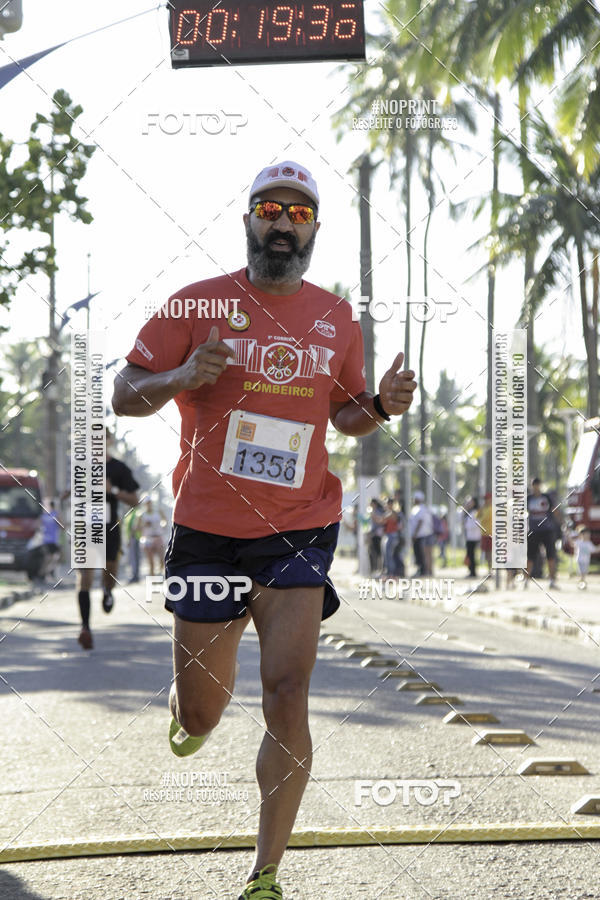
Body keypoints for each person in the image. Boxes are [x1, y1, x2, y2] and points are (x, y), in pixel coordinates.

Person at [112, 160, 417, 900]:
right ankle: (192, 720)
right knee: (202, 708)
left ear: (313, 230)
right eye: (270, 209)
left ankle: (266, 874)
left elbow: (342, 414)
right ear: (248, 219)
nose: (283, 223)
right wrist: (180, 379)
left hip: (298, 527)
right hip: (208, 529)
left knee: (287, 690)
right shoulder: (194, 307)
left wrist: (379, 404)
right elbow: (124, 393)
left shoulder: (337, 317)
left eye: (299, 213)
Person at [76, 430, 140, 650]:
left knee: (109, 570)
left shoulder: (119, 469)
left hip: (110, 526)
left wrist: (112, 490)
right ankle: (85, 627)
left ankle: (108, 590)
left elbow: (135, 500)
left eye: (100, 439)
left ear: (109, 441)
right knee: (85, 574)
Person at [526, 477, 560, 589]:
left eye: (537, 484)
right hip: (533, 530)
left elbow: (555, 511)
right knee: (530, 556)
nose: (536, 487)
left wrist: (561, 523)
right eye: (534, 485)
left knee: (550, 555)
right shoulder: (528, 499)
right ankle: (526, 580)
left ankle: (552, 580)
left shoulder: (547, 497)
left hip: (547, 530)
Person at [139, 498, 166, 576]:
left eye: (150, 502)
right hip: (147, 539)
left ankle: (159, 573)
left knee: (162, 559)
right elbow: (137, 528)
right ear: (144, 504)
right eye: (147, 503)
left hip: (158, 538)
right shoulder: (141, 515)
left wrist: (162, 524)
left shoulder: (158, 512)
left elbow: (165, 521)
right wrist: (144, 525)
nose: (149, 504)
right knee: (151, 562)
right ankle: (153, 581)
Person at [410, 490, 434, 576]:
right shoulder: (424, 508)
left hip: (421, 535)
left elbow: (420, 522)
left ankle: (423, 570)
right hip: (427, 534)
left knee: (422, 554)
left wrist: (415, 534)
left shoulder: (419, 509)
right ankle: (428, 571)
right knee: (428, 554)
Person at [462, 496, 481, 578]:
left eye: (470, 502)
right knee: (469, 554)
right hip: (469, 536)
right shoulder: (468, 512)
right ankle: (471, 570)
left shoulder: (475, 512)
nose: (468, 504)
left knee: (472, 555)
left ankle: (473, 572)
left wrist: (466, 526)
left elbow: (476, 524)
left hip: (473, 537)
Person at [382, 497, 401, 576]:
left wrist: (372, 514)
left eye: (387, 503)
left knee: (389, 555)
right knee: (388, 555)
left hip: (392, 536)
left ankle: (391, 573)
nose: (385, 505)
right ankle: (390, 572)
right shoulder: (389, 512)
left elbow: (381, 520)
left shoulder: (392, 513)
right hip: (389, 535)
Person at [367, 498, 385, 575]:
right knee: (373, 553)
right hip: (373, 535)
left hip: (378, 535)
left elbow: (380, 521)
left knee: (378, 553)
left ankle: (380, 570)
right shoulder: (373, 511)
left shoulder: (378, 511)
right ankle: (374, 570)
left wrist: (373, 516)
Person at [125, 506, 142, 583]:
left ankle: (135, 576)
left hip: (134, 538)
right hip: (133, 538)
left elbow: (133, 527)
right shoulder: (130, 514)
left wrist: (130, 539)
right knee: (134, 558)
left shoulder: (135, 513)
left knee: (134, 558)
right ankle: (135, 575)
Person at [477, 493, 493, 573]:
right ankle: (489, 569)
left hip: (491, 533)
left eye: (487, 499)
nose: (486, 501)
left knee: (490, 552)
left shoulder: (492, 508)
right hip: (484, 533)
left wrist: (481, 516)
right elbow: (477, 516)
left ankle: (491, 569)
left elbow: (484, 519)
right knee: (486, 553)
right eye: (485, 499)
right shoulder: (483, 508)